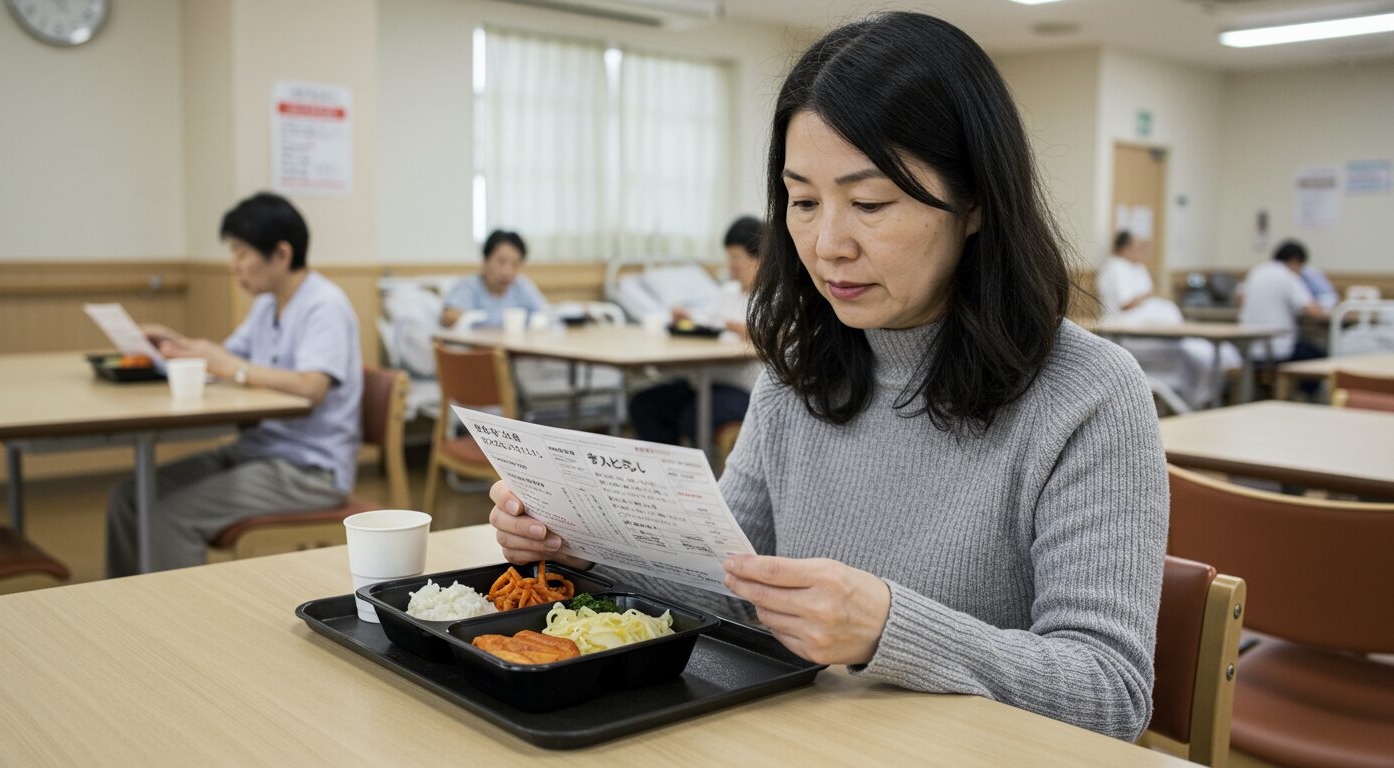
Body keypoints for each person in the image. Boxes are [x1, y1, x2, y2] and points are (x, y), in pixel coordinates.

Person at [486, 12, 1167, 742]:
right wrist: (581, 540)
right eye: (803, 203)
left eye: (870, 203)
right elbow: (726, 582)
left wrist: (889, 628)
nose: (827, 245)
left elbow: (1110, 692)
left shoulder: (1090, 393)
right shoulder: (800, 371)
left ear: (975, 203)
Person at [107, 192, 362, 576]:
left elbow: (312, 386)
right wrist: (174, 346)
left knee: (168, 515)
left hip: (309, 468)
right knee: (129, 496)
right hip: (257, 450)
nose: (233, 267)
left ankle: (171, 623)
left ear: (281, 254)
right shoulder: (266, 304)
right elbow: (224, 360)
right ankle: (124, 601)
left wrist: (234, 368)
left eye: (241, 254)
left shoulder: (324, 305)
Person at [629, 216, 764, 444]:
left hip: (745, 389)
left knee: (695, 414)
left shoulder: (777, 298)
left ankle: (703, 478)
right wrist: (688, 319)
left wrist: (746, 331)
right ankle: (666, 476)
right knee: (645, 403)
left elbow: (780, 342)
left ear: (760, 258)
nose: (730, 264)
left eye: (736, 257)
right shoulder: (727, 292)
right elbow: (707, 322)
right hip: (705, 381)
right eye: (728, 256)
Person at [1098, 230, 1236, 407]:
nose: (1144, 252)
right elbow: (1126, 303)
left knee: (1205, 351)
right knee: (1190, 355)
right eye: (1140, 247)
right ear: (1125, 248)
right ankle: (1195, 401)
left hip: (1155, 333)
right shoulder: (1115, 267)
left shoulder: (1138, 267)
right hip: (1128, 335)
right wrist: (1146, 297)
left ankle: (1200, 399)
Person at [1239, 240, 1328, 362]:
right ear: (1295, 261)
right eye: (1301, 266)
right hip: (1277, 349)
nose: (1301, 271)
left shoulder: (1258, 271)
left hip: (1249, 348)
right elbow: (1313, 311)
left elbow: (1241, 299)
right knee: (1318, 355)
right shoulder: (1288, 276)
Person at [439, 230, 547, 328]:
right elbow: (448, 317)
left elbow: (544, 312)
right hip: (479, 348)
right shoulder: (470, 285)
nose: (507, 271)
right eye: (501, 262)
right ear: (486, 260)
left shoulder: (521, 286)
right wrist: (468, 317)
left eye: (515, 264)